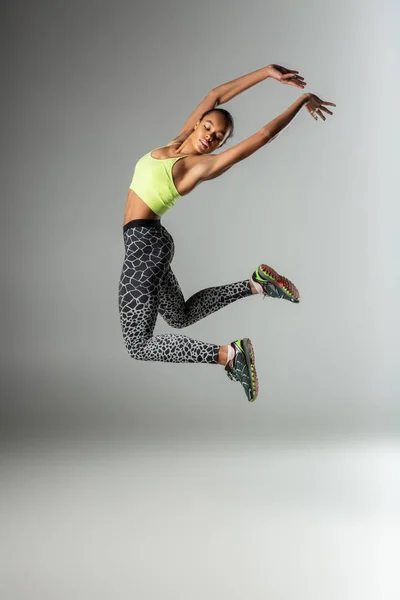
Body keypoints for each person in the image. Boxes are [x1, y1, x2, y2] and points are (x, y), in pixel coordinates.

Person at [119, 63, 335, 402]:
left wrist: (301, 100)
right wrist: (266, 72)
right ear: (197, 124)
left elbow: (263, 137)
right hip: (148, 243)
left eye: (219, 137)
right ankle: (257, 285)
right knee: (180, 315)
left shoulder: (199, 166)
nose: (210, 136)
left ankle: (230, 356)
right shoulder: (175, 142)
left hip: (144, 245)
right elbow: (216, 94)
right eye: (208, 126)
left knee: (138, 344)